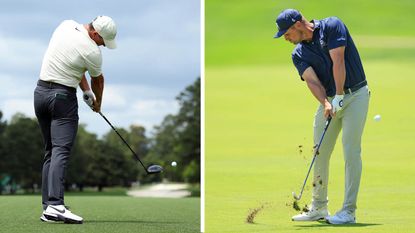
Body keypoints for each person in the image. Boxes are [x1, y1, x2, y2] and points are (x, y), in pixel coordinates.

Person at [274, 9, 370, 224]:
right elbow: (312, 81)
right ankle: (319, 207)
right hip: (330, 100)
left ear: (298, 24)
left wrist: (339, 95)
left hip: (356, 95)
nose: (285, 38)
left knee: (351, 151)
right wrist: (327, 102)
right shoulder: (298, 53)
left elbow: (339, 61)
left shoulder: (332, 26)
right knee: (320, 151)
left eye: (286, 33)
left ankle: (348, 211)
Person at [34, 15, 117, 224]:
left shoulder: (65, 25)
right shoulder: (92, 51)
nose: (103, 46)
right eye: (102, 41)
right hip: (62, 99)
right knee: (61, 151)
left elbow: (73, 62)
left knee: (51, 151)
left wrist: (86, 90)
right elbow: (98, 79)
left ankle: (48, 207)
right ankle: (56, 205)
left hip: (40, 94)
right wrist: (98, 103)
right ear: (96, 34)